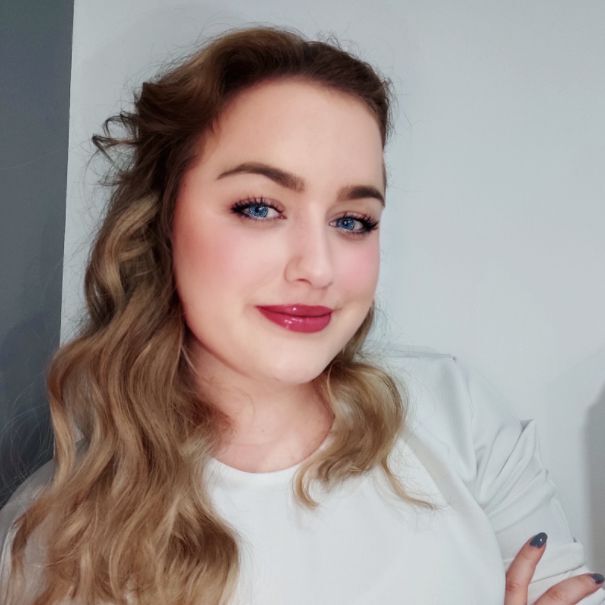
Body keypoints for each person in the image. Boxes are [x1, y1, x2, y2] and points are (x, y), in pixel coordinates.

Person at [0, 25, 602, 605]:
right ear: (162, 221)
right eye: (260, 208)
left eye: (352, 220)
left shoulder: (454, 414)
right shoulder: (55, 538)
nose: (319, 267)